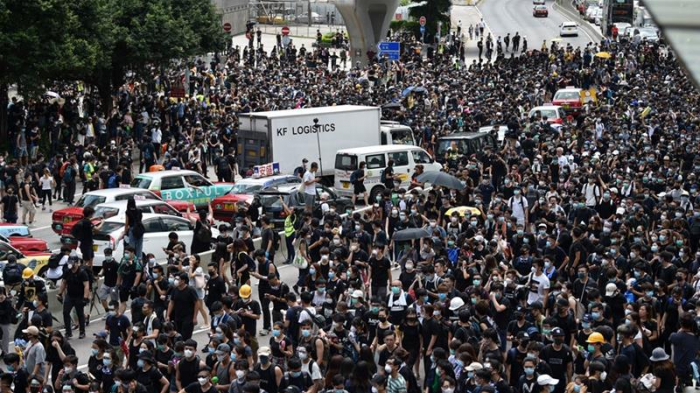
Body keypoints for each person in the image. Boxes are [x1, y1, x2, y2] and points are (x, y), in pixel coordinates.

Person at [57, 256, 90, 339]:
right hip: (70, 296)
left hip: (79, 296)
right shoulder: (67, 272)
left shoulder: (82, 273)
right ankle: (68, 332)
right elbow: (63, 283)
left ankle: (82, 332)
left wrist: (85, 298)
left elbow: (86, 285)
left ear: (76, 263)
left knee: (80, 314)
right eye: (69, 262)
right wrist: (60, 293)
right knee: (65, 312)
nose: (70, 264)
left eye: (72, 262)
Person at [167, 272, 200, 340]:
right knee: (178, 336)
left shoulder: (190, 290)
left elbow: (197, 303)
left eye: (178, 279)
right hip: (178, 317)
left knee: (185, 337)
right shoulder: (175, 290)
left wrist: (194, 317)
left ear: (183, 281)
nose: (176, 281)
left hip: (188, 318)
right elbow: (171, 302)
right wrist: (168, 315)